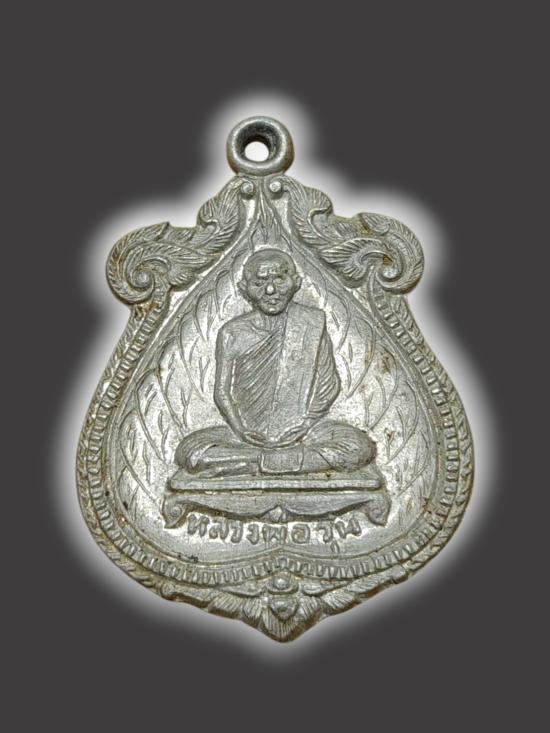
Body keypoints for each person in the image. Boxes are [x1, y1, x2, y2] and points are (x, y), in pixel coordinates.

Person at [175, 248, 376, 477]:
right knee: (190, 452)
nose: (270, 290)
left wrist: (306, 424)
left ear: (296, 283)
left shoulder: (311, 323)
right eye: (259, 283)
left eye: (279, 280)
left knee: (358, 448)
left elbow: (328, 386)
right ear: (244, 288)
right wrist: (241, 430)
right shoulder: (232, 332)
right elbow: (222, 391)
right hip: (245, 436)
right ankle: (275, 460)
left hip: (305, 433)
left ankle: (252, 462)